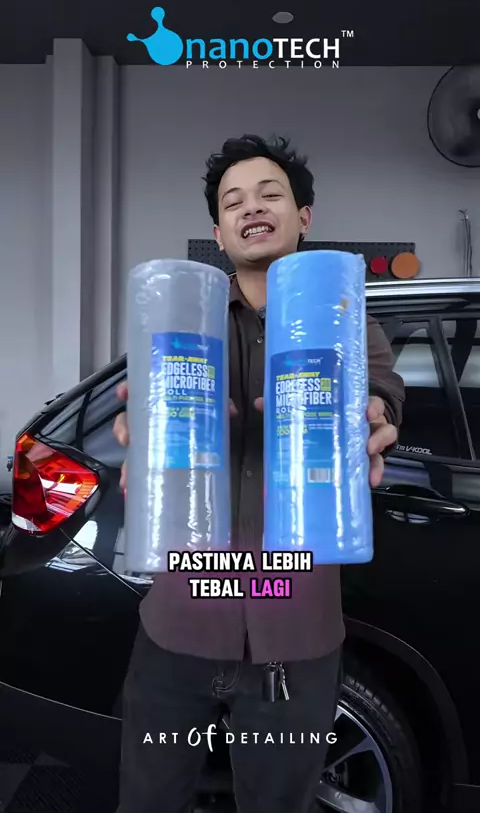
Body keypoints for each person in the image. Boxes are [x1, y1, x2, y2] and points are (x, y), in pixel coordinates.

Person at [113, 134, 405, 813]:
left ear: (303, 216)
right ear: (219, 233)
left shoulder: (344, 324)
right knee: (148, 800)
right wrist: (138, 426)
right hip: (180, 626)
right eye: (233, 201)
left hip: (292, 636)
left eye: (270, 194)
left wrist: (373, 417)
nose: (252, 207)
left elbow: (381, 391)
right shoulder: (187, 322)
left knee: (278, 804)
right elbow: (145, 403)